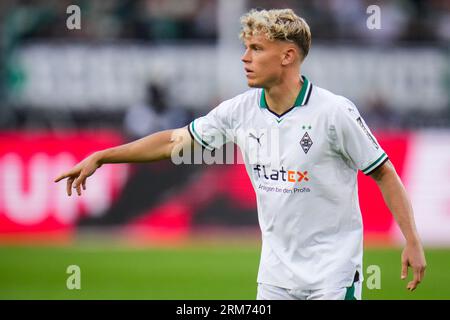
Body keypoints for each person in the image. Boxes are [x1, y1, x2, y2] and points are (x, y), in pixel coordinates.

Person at [54, 8, 426, 300]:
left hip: (333, 275)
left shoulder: (334, 112)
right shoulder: (239, 111)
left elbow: (383, 172)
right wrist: (104, 156)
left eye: (257, 48)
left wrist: (411, 239)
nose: (245, 57)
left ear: (288, 56)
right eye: (245, 48)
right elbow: (173, 142)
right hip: (275, 278)